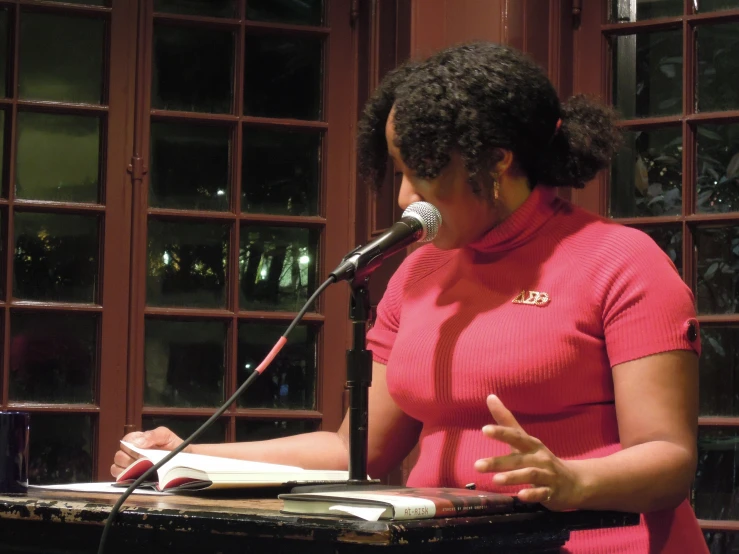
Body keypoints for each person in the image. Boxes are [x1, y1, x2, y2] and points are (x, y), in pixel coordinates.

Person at [112, 43, 706, 553]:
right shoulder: (418, 271)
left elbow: (669, 460)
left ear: (497, 160)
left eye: (421, 171)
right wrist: (190, 458)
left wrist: (571, 481)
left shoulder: (621, 261)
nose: (402, 197)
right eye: (397, 170)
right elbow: (354, 450)